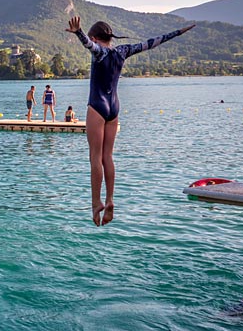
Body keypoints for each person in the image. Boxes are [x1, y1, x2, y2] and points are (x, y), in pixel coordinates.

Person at [66, 16, 195, 226]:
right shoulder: (123, 51)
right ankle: (110, 199)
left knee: (95, 157)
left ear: (95, 37)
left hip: (97, 107)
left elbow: (88, 45)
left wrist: (78, 32)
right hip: (114, 108)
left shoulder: (99, 51)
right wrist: (178, 32)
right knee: (108, 156)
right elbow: (153, 42)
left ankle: (96, 203)